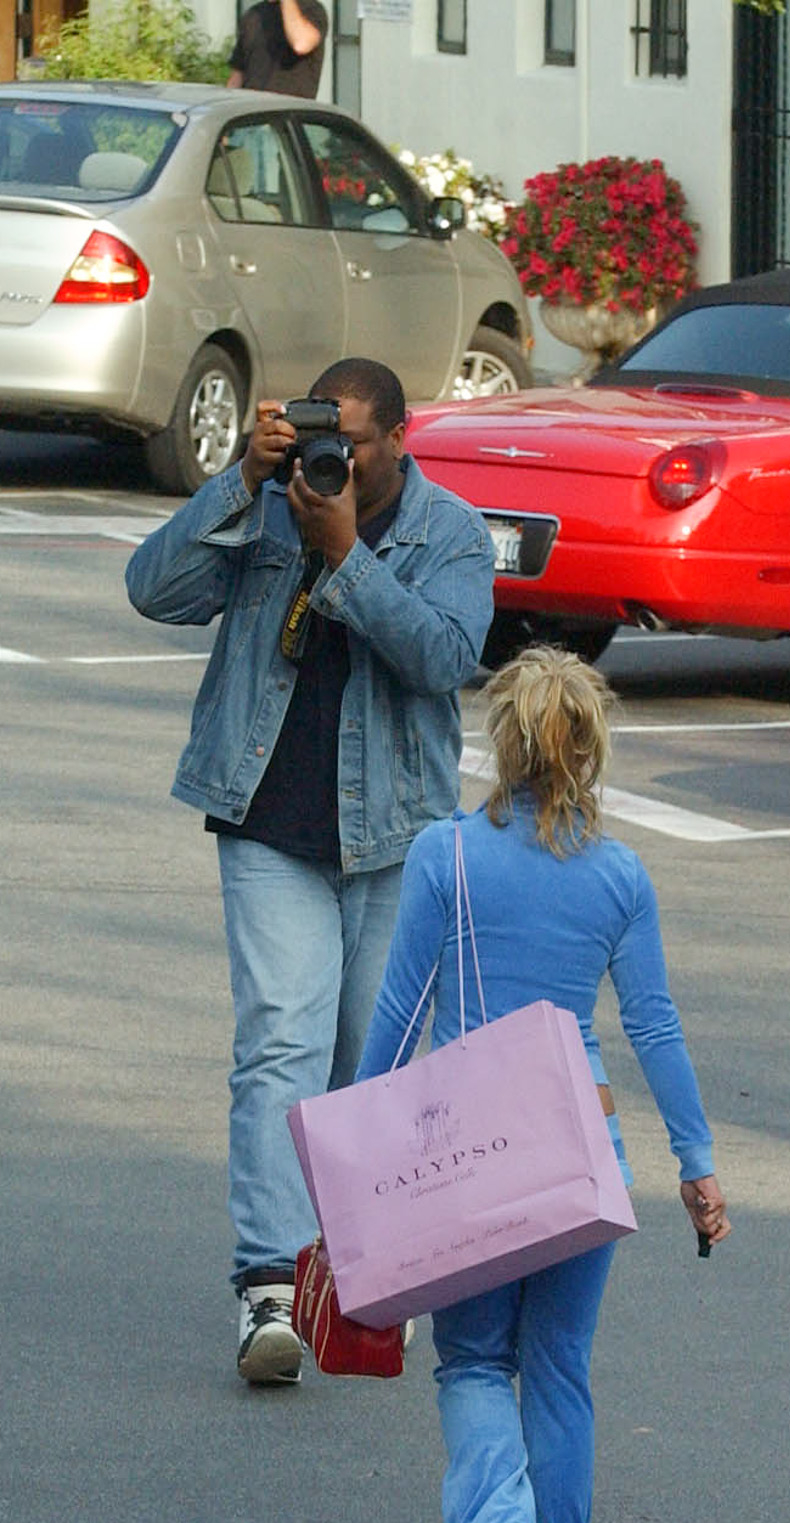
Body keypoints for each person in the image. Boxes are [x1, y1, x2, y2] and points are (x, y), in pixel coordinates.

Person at [122, 358, 493, 1386]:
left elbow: (447, 655)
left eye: (353, 444)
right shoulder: (269, 507)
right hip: (268, 819)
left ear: (400, 440)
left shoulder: (449, 531)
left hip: (397, 835)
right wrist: (241, 481)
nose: (332, 460)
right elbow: (152, 588)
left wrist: (348, 563)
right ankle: (269, 1289)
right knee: (280, 1041)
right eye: (319, 437)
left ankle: (361, 1268)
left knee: (371, 1069)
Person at [359, 649, 729, 1523]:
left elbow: (401, 1013)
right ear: (591, 753)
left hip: (471, 1154)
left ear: (504, 744)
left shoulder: (447, 854)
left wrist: (351, 1157)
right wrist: (695, 1163)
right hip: (582, 1148)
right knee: (559, 1376)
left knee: (474, 1360)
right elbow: (654, 1025)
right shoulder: (619, 875)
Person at [226, 0, 326, 95]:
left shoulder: (312, 10)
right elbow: (238, 75)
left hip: (290, 110)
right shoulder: (253, 15)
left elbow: (301, 44)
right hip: (253, 107)